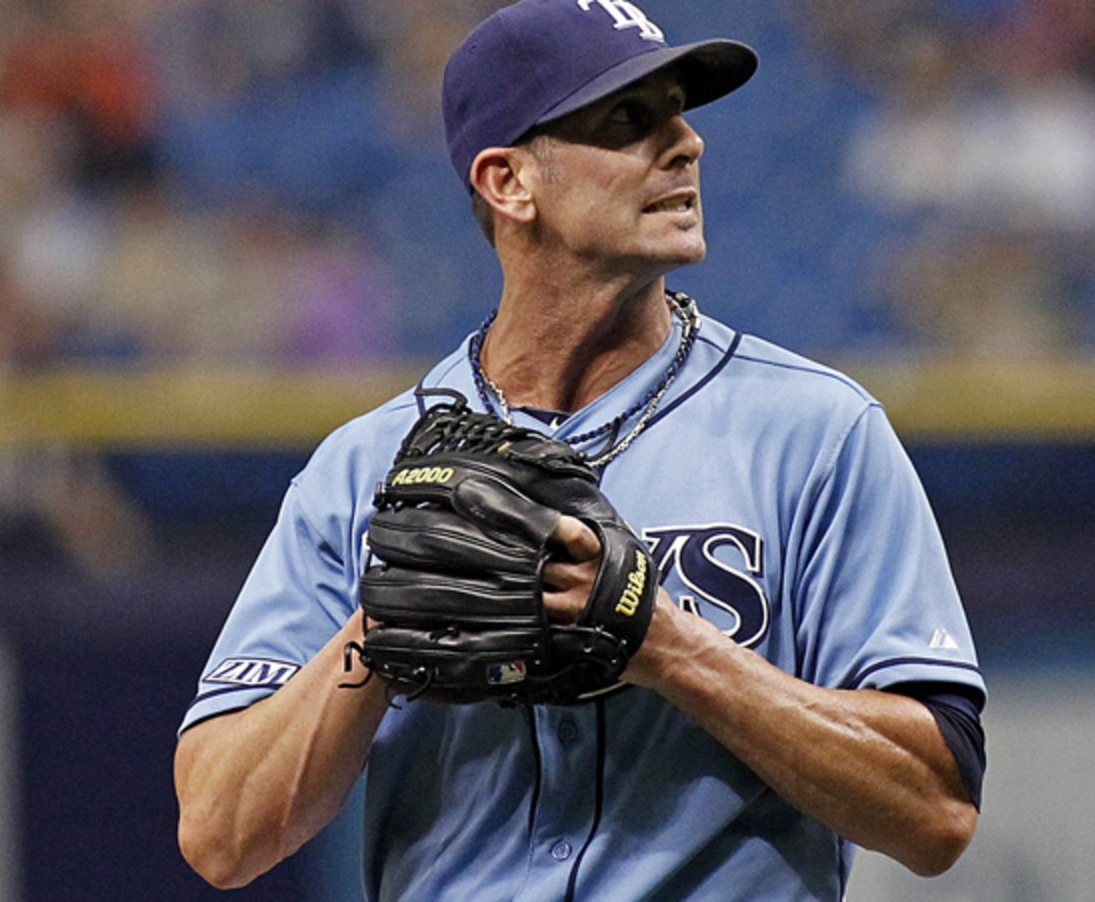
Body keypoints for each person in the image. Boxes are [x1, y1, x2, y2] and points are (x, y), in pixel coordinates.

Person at [174, 2, 987, 900]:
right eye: (629, 119)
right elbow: (220, 832)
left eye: (680, 113)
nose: (687, 144)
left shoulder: (818, 433)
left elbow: (936, 811)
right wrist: (380, 630)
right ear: (509, 182)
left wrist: (669, 646)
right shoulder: (363, 469)